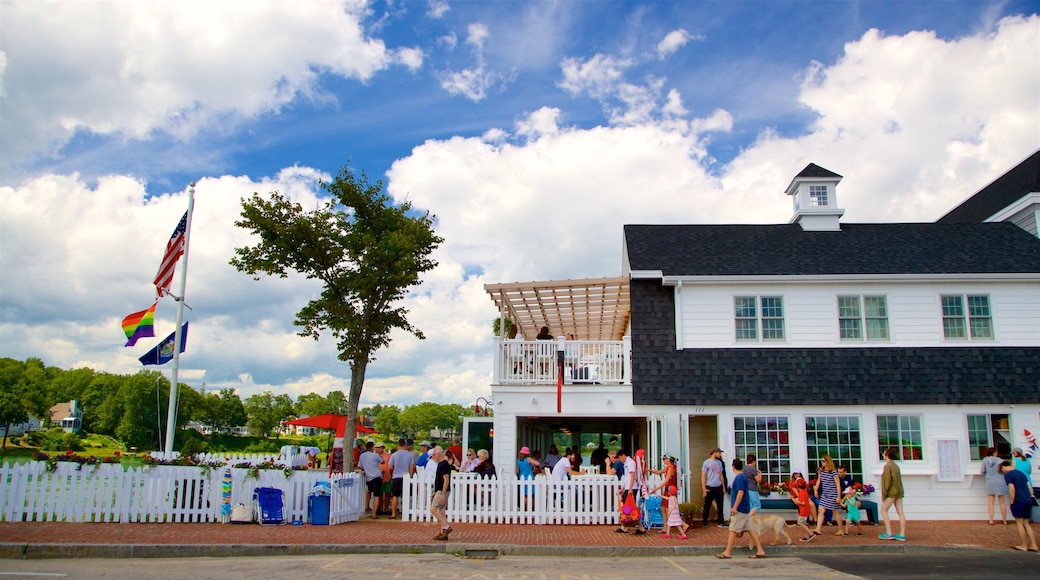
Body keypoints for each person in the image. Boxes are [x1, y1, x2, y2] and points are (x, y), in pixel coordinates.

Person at [715, 458, 766, 559]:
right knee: (750, 529)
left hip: (740, 509)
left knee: (733, 529)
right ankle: (760, 550)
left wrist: (734, 507)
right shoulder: (742, 477)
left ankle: (727, 552)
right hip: (745, 508)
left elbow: (740, 492)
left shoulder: (739, 478)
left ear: (733, 467)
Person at [801, 455, 844, 541]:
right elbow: (819, 480)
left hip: (833, 494)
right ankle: (818, 529)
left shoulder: (833, 472)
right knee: (821, 510)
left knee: (835, 512)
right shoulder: (821, 470)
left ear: (828, 462)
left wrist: (838, 496)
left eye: (824, 461)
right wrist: (816, 489)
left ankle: (841, 530)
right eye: (821, 461)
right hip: (825, 494)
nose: (822, 463)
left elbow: (838, 484)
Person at [1001, 459, 1039, 552]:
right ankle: (1033, 545)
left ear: (1004, 467)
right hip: (1028, 499)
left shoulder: (1009, 475)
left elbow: (1012, 489)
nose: (1002, 472)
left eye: (1001, 470)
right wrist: (1031, 496)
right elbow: (1029, 486)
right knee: (1026, 523)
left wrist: (1011, 501)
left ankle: (1023, 545)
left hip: (1018, 500)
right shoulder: (1021, 473)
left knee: (1019, 523)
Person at [879, 446, 906, 541]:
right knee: (901, 512)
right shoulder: (896, 466)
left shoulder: (888, 466)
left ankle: (889, 532)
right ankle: (902, 534)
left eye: (884, 453)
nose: (883, 454)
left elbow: (887, 482)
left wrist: (884, 495)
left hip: (892, 492)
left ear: (886, 455)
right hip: (899, 491)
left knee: (883, 510)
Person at [429, 446, 455, 540]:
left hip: (442, 490)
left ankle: (446, 527)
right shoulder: (440, 464)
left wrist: (442, 494)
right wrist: (435, 492)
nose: (433, 456)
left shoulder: (444, 465)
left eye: (434, 454)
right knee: (441, 511)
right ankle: (443, 532)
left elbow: (446, 480)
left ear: (439, 454)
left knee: (433, 509)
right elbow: (438, 480)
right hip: (439, 490)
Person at [388, 438, 416, 519]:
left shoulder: (394, 455)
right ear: (405, 445)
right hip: (406, 477)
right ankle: (405, 512)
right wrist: (410, 476)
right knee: (405, 496)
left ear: (398, 444)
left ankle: (393, 514)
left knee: (395, 496)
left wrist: (392, 474)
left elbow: (390, 467)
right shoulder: (409, 455)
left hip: (396, 476)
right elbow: (412, 467)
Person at [650, 454, 679, 526]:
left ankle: (681, 524)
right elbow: (659, 472)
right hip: (667, 489)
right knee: (663, 508)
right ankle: (665, 527)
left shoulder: (671, 468)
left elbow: (666, 481)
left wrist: (656, 489)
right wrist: (649, 470)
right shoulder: (668, 467)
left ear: (668, 459)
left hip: (670, 489)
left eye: (664, 459)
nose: (663, 460)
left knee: (667, 509)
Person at [981, 446, 1008, 525]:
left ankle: (991, 520)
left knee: (991, 503)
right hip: (1000, 482)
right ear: (994, 452)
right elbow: (1004, 471)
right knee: (1002, 502)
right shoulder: (1001, 461)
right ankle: (1004, 520)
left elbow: (982, 471)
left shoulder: (985, 460)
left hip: (990, 482)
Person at [358, 442, 385, 519]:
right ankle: (374, 514)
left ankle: (366, 506)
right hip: (377, 476)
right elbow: (383, 461)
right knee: (376, 495)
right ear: (372, 448)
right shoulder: (375, 455)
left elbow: (361, 466)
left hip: (369, 477)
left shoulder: (362, 456)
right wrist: (378, 454)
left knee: (369, 491)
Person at [702, 447, 727, 528]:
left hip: (718, 486)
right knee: (707, 505)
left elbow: (721, 475)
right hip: (710, 486)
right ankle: (705, 521)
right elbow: (703, 476)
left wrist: (723, 487)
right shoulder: (706, 462)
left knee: (720, 505)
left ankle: (721, 522)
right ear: (715, 453)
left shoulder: (719, 463)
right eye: (719, 453)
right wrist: (704, 488)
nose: (720, 455)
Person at [789, 472, 814, 537]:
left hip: (803, 511)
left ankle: (811, 533)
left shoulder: (801, 493)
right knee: (804, 524)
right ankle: (806, 536)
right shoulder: (805, 491)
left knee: (800, 523)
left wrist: (794, 500)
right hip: (806, 511)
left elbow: (803, 502)